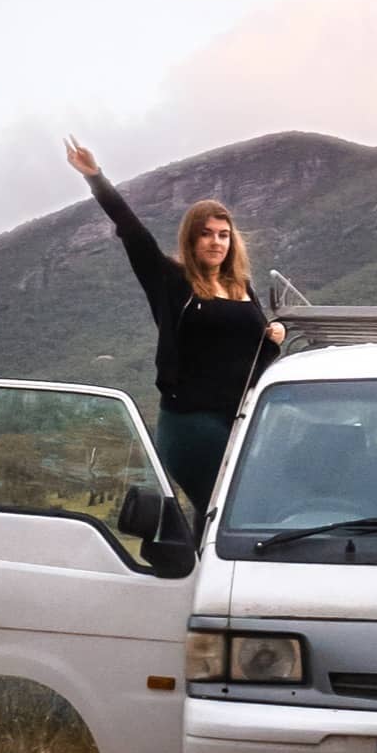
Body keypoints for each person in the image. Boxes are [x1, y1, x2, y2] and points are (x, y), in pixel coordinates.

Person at [65, 137, 285, 538]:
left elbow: (253, 358)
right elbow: (133, 233)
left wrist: (273, 339)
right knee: (231, 511)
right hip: (192, 424)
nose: (216, 242)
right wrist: (96, 178)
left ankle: (201, 587)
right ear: (192, 239)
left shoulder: (242, 287)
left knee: (229, 516)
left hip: (239, 419)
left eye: (223, 234)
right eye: (207, 234)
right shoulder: (173, 281)